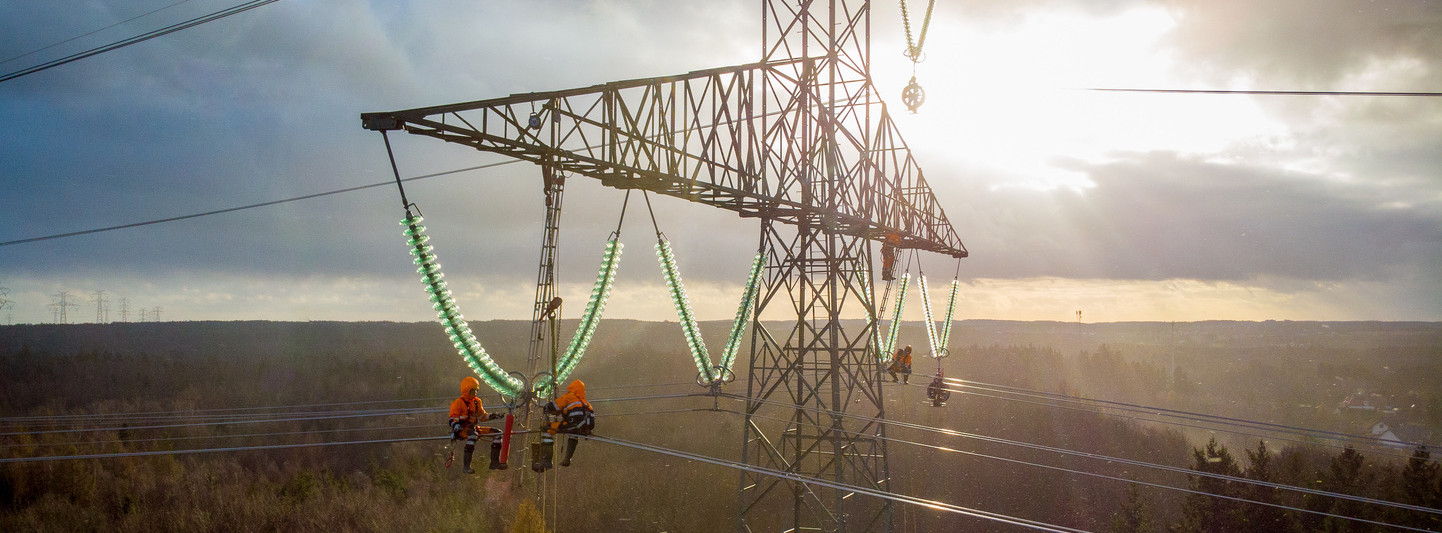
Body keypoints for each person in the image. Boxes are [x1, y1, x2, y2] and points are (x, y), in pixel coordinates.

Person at [449, 376, 505, 474]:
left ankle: (494, 463)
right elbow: (452, 419)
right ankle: (466, 467)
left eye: (476, 390)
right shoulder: (458, 403)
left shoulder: (477, 402)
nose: (474, 393)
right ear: (466, 390)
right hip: (463, 430)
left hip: (474, 428)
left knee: (498, 433)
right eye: (472, 391)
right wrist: (456, 426)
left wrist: (494, 416)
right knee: (472, 436)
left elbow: (482, 416)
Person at [545, 379, 596, 467]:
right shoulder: (585, 402)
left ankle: (546, 460)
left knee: (549, 428)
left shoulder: (569, 396)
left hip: (574, 424)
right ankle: (567, 458)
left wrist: (546, 407)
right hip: (587, 426)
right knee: (573, 434)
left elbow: (554, 406)